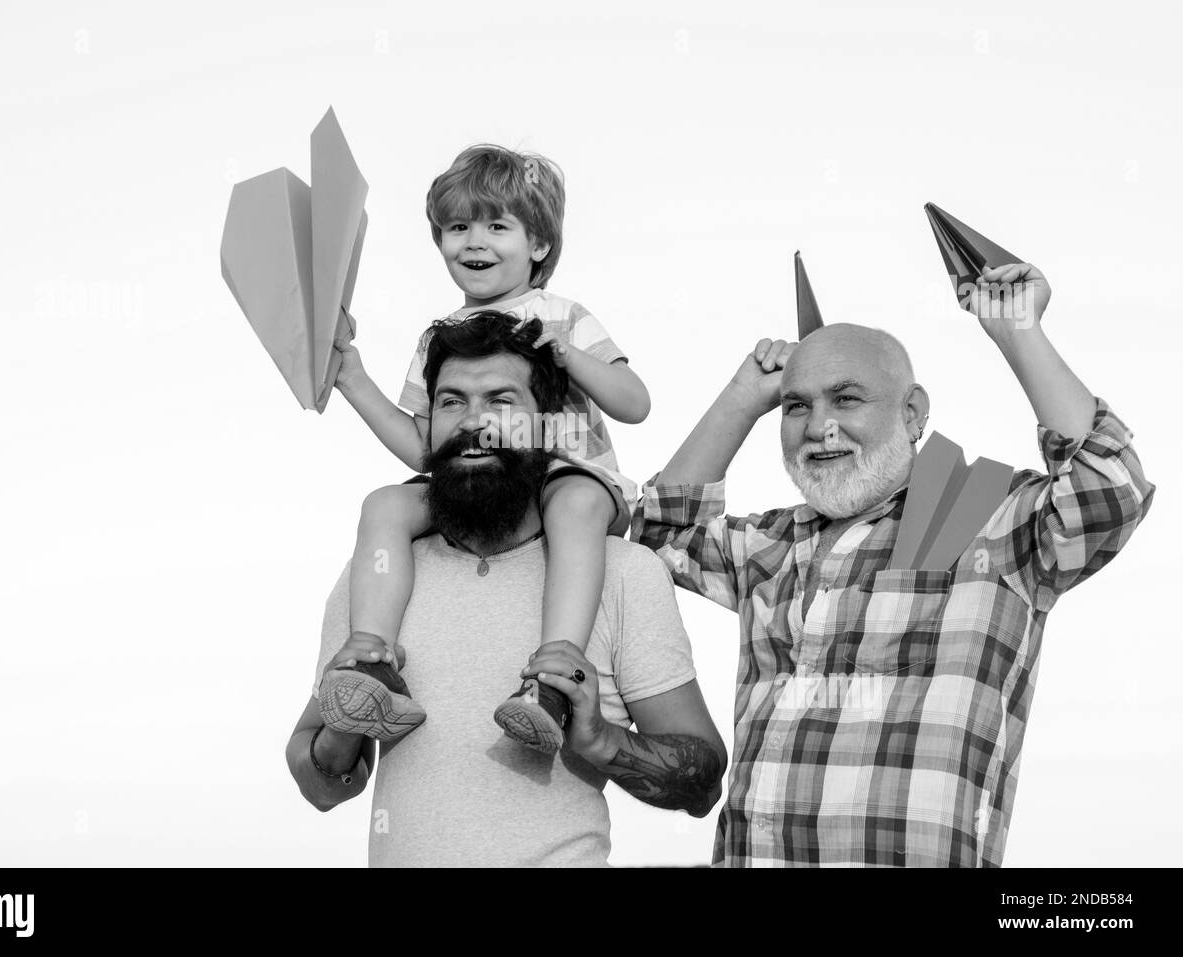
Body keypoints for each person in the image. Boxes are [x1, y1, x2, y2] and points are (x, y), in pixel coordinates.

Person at [632, 262, 1153, 866]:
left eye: (847, 398)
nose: (819, 427)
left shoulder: (988, 513)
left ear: (911, 414)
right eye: (796, 407)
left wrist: (1018, 332)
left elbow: (1109, 490)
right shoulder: (772, 544)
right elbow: (654, 535)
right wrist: (742, 400)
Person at [286, 311, 725, 867]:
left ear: (547, 423)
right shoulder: (378, 572)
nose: (473, 423)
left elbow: (703, 785)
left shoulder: (622, 572)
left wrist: (600, 740)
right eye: (450, 402)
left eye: (500, 400)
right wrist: (340, 735)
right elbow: (319, 786)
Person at [323, 145, 649, 754]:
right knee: (383, 505)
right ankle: (374, 665)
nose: (475, 241)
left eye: (497, 225)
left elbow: (634, 403)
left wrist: (568, 355)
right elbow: (425, 450)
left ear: (540, 245)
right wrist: (351, 379)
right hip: (477, 481)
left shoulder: (564, 315)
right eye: (457, 227)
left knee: (572, 506)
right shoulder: (439, 338)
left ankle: (552, 677)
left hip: (564, 473)